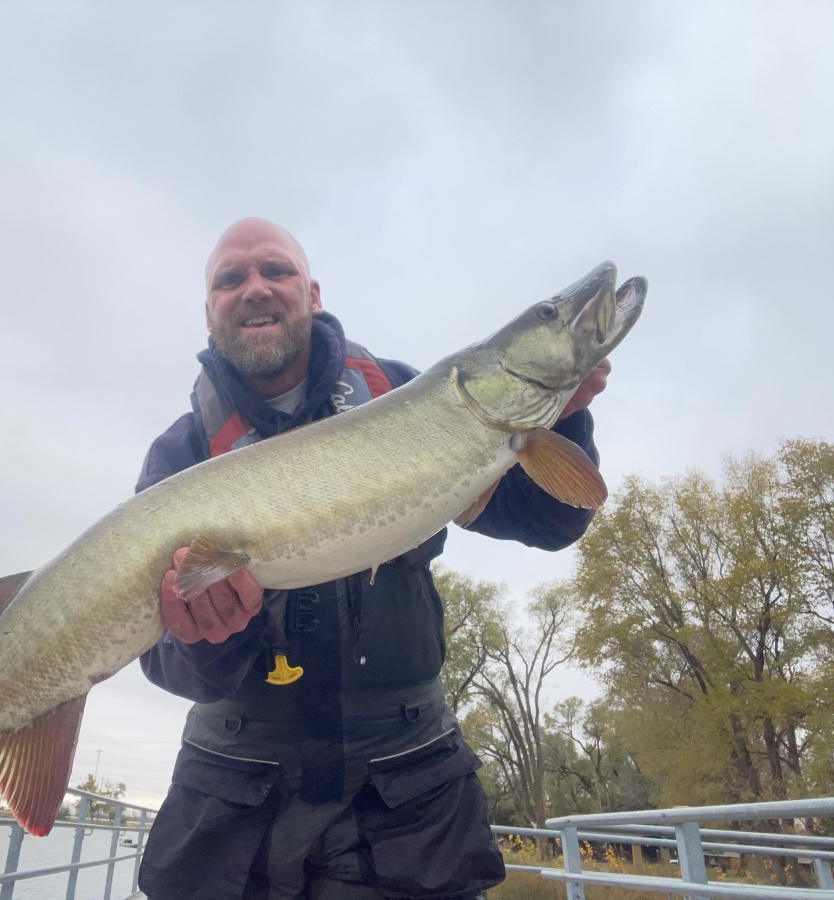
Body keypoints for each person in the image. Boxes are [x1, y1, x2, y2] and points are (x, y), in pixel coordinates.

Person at [135, 219, 609, 900]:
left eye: (277, 270)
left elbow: (552, 521)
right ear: (209, 311)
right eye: (230, 279)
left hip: (409, 803)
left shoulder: (410, 396)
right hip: (234, 810)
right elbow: (163, 659)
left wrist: (559, 413)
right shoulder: (179, 457)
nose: (255, 288)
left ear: (313, 293)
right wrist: (212, 638)